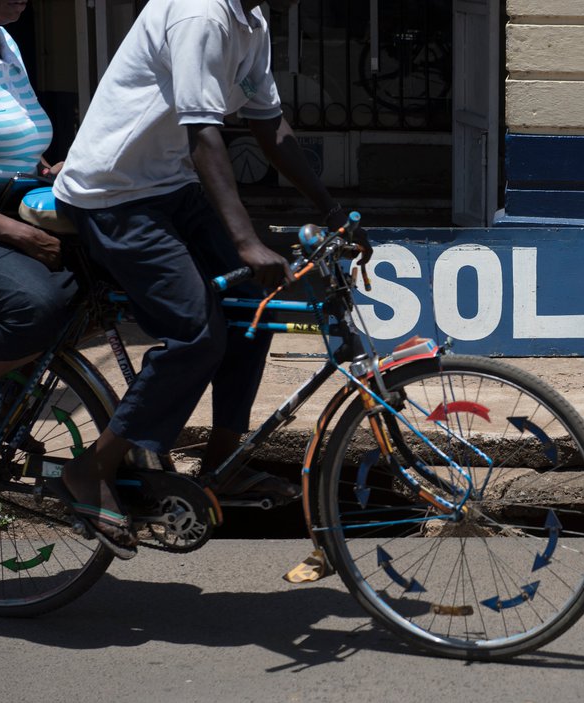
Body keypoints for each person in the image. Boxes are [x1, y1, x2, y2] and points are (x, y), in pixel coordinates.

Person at [52, 0, 368, 559]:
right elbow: (202, 132)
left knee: (253, 307)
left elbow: (269, 125)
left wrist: (332, 208)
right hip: (114, 196)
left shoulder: (251, 19)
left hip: (169, 187)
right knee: (197, 334)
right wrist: (245, 241)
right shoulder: (200, 14)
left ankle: (223, 465)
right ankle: (92, 468)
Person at [0, 0, 75, 483]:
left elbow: (15, 137)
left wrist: (47, 170)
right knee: (36, 304)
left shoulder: (4, 42)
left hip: (6, 211)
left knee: (101, 281)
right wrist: (19, 233)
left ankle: (1, 376)